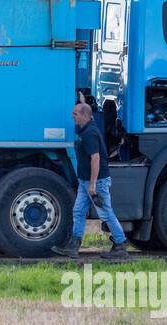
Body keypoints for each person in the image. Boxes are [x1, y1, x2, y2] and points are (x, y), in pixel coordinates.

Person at [52, 102, 128, 260]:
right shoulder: (85, 130)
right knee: (78, 211)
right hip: (85, 181)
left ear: (85, 116)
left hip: (96, 182)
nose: (73, 116)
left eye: (76, 114)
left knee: (106, 213)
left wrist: (92, 184)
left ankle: (120, 246)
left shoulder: (90, 134)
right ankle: (74, 246)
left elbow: (95, 159)